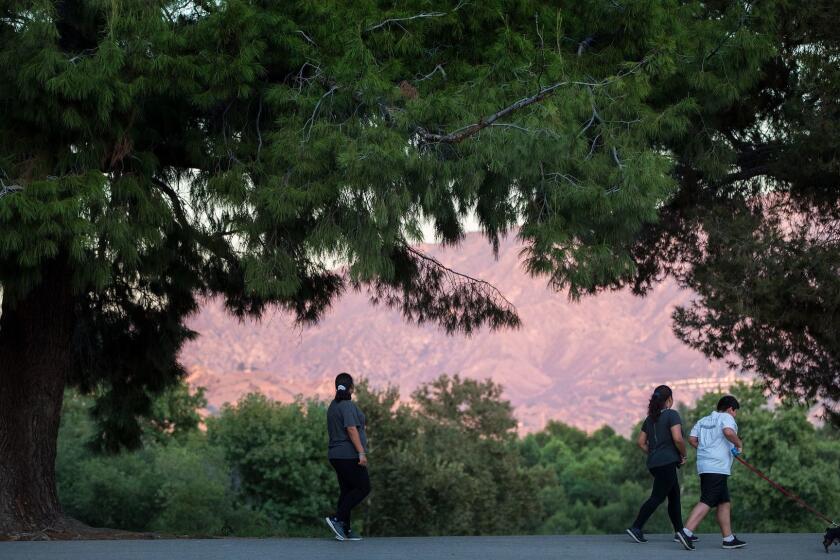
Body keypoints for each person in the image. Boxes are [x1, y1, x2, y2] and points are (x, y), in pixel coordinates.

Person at [626, 385, 695, 551]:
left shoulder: (650, 419)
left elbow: (640, 442)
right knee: (657, 497)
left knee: (674, 496)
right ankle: (636, 527)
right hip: (667, 463)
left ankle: (680, 532)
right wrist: (683, 455)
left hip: (655, 464)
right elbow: (678, 438)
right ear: (669, 399)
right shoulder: (672, 415)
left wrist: (653, 452)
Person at [682, 395, 747, 550]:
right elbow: (728, 432)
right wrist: (739, 444)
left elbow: (691, 439)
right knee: (707, 500)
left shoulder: (704, 420)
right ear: (731, 408)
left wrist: (706, 450)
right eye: (735, 411)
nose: (735, 415)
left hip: (705, 466)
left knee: (724, 501)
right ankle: (686, 532)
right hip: (717, 466)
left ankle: (728, 539)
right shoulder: (726, 417)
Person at [324, 372, 370, 542]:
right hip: (348, 455)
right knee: (363, 488)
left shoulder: (333, 405)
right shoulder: (347, 405)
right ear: (351, 388)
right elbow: (351, 429)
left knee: (347, 490)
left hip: (335, 455)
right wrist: (361, 453)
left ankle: (345, 529)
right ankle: (337, 519)